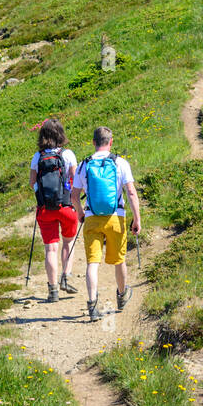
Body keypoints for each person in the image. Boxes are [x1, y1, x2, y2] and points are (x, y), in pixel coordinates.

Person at [71, 126, 141, 322]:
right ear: (111, 142)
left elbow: (74, 196)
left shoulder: (84, 165)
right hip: (116, 217)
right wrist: (137, 219)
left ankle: (92, 305)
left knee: (92, 263)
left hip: (92, 218)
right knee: (119, 260)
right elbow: (131, 193)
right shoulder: (120, 163)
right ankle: (121, 295)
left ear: (93, 142)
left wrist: (80, 214)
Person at [29, 117, 79, 303]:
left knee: (51, 248)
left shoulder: (38, 157)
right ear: (61, 134)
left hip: (45, 209)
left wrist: (41, 197)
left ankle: (53, 290)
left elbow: (32, 182)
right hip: (66, 206)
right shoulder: (68, 155)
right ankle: (65, 277)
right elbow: (75, 179)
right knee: (68, 242)